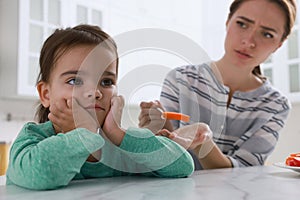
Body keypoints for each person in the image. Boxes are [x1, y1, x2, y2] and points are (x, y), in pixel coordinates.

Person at [6, 24, 195, 190]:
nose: (94, 92)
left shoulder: (121, 144)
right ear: (46, 94)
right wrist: (82, 134)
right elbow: (40, 175)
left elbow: (183, 166)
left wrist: (119, 134)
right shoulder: (33, 138)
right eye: (75, 80)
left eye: (106, 81)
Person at [139, 0, 297, 170]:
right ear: (228, 22)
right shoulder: (180, 79)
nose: (249, 41)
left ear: (279, 44)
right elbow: (168, 158)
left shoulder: (276, 105)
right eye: (242, 24)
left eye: (267, 34)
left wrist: (203, 145)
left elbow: (244, 170)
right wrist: (160, 129)